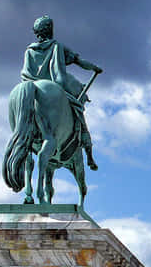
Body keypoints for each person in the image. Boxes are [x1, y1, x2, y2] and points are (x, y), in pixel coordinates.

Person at [21, 15, 103, 170]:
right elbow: (80, 62)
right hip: (56, 87)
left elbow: (26, 72)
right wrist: (94, 68)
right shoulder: (57, 46)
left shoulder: (29, 51)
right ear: (50, 30)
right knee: (78, 112)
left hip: (30, 85)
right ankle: (89, 155)